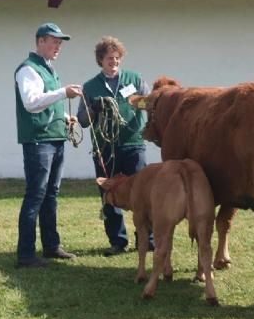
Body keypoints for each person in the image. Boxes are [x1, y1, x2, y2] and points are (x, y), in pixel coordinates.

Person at [77, 36, 154, 257]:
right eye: (109, 58)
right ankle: (117, 241)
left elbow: (149, 103)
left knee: (142, 193)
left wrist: (135, 102)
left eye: (117, 58)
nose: (114, 62)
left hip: (133, 143)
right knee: (109, 193)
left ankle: (147, 239)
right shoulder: (90, 87)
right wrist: (94, 108)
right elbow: (82, 120)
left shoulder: (135, 79)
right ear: (100, 60)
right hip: (105, 148)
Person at [14, 22, 82, 268]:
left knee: (50, 194)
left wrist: (64, 116)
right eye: (54, 41)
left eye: (60, 43)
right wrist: (63, 93)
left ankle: (51, 246)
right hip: (38, 141)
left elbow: (47, 103)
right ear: (40, 41)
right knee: (36, 195)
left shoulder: (48, 70)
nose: (58, 47)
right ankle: (26, 255)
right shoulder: (28, 69)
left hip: (54, 138)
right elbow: (31, 102)